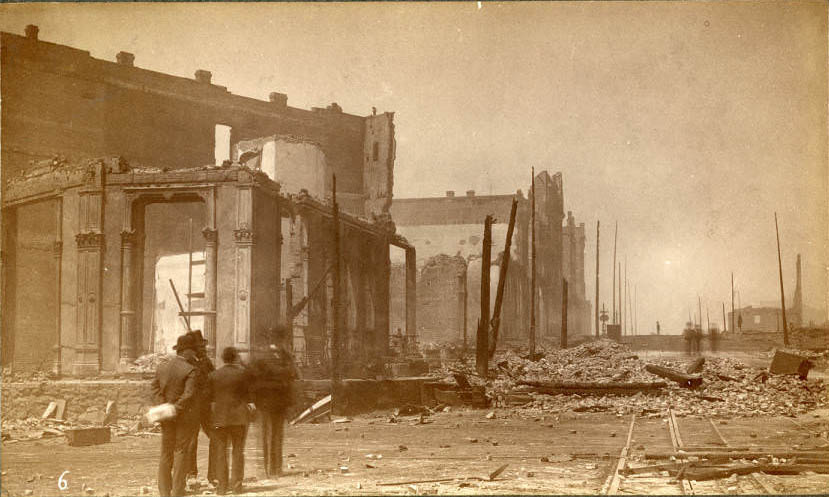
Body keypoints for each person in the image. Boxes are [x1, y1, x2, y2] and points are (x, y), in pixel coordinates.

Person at [151, 334, 200, 497]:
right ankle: (178, 491)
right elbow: (189, 394)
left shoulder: (162, 366)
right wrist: (175, 408)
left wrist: (164, 407)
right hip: (183, 417)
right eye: (193, 351)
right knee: (180, 452)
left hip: (165, 416)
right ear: (186, 351)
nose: (194, 354)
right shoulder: (190, 369)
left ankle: (164, 492)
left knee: (165, 452)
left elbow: (155, 389)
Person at [251, 327, 298, 478]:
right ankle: (266, 470)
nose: (283, 342)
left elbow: (293, 375)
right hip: (265, 402)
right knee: (266, 435)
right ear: (278, 339)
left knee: (277, 435)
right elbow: (254, 380)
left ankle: (276, 469)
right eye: (282, 339)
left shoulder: (286, 356)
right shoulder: (262, 357)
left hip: (280, 402)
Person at [207, 347, 254, 495]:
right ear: (235, 357)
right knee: (238, 451)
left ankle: (222, 487)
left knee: (221, 452)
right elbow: (249, 394)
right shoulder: (243, 374)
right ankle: (237, 485)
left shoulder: (213, 375)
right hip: (239, 418)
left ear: (223, 358)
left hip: (220, 418)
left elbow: (209, 397)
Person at [185, 330, 216, 486]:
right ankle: (191, 474)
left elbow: (214, 378)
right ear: (194, 348)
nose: (204, 348)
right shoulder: (187, 364)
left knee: (215, 437)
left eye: (204, 346)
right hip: (191, 407)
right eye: (201, 346)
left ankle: (214, 475)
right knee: (191, 440)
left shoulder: (206, 362)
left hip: (206, 407)